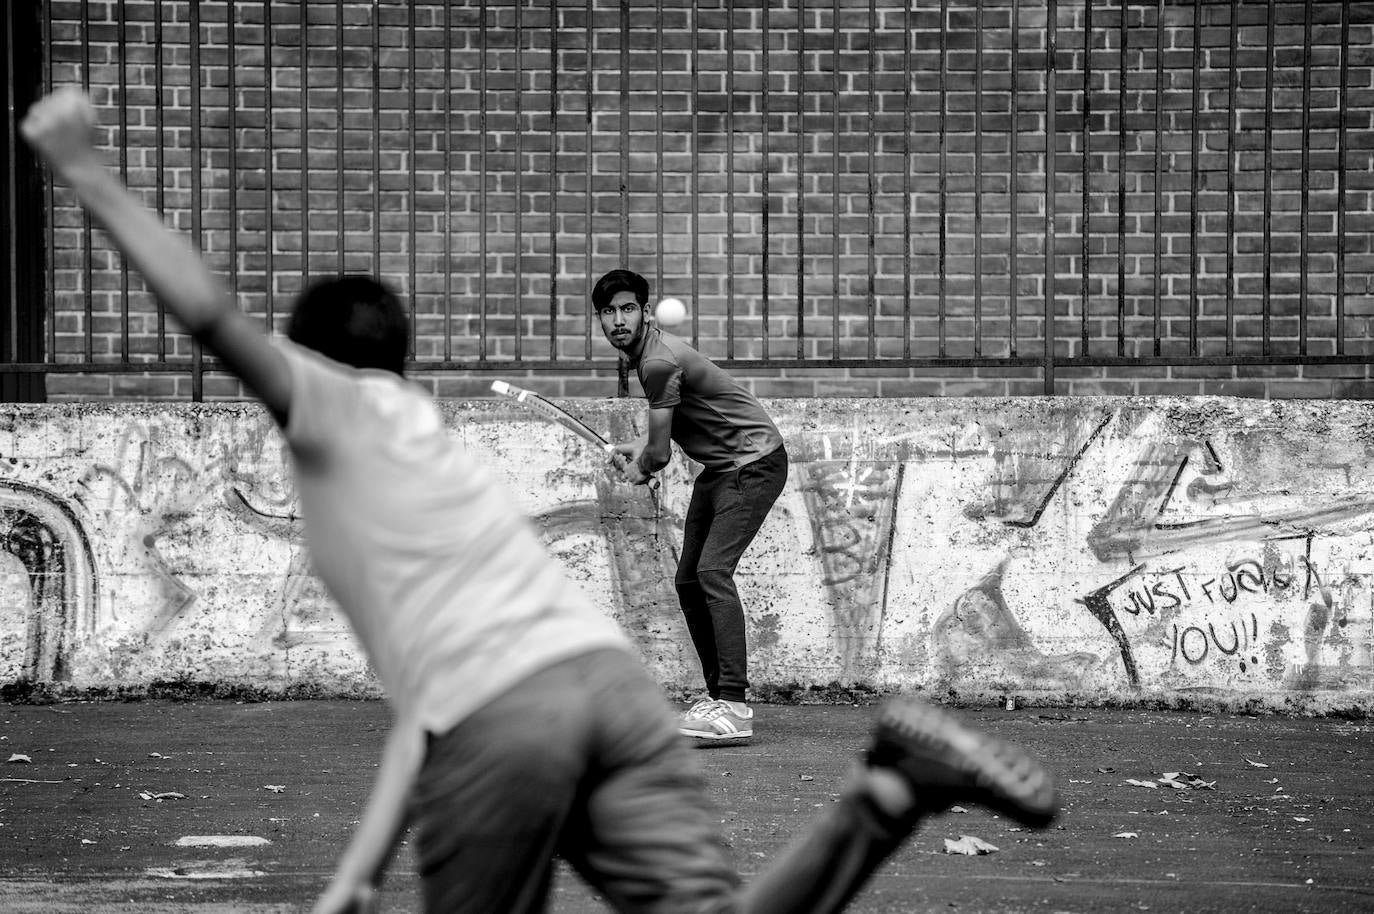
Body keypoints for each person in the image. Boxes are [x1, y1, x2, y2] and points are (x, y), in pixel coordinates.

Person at [24, 88, 1058, 914]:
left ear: (308, 356)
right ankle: (887, 796)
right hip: (603, 688)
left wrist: (85, 170)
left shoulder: (333, 407)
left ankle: (816, 746)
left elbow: (206, 311)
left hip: (503, 718)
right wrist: (359, 868)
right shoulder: (425, 441)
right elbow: (420, 710)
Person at [593, 269, 786, 742]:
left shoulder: (656, 361)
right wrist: (639, 445)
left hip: (753, 463)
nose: (619, 320)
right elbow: (668, 426)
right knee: (688, 579)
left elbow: (659, 456)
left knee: (711, 573)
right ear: (600, 319)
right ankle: (719, 696)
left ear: (644, 311)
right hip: (722, 469)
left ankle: (735, 707)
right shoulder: (650, 355)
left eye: (627, 308)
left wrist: (642, 466)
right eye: (608, 311)